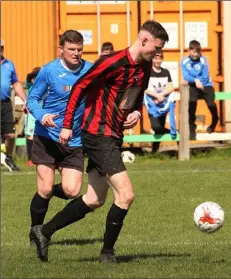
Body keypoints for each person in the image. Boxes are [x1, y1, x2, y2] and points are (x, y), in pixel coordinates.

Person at [30, 20, 169, 263]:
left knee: (94, 199)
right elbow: (79, 88)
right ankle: (107, 253)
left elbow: (138, 95)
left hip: (114, 136)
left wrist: (136, 112)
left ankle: (44, 231)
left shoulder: (144, 67)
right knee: (125, 195)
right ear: (144, 40)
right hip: (97, 135)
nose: (157, 54)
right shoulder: (111, 62)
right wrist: (65, 125)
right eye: (156, 48)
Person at [26, 30, 92, 244]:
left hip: (73, 140)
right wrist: (42, 114)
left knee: (71, 190)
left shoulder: (90, 70)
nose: (76, 54)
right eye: (71, 49)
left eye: (80, 50)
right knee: (44, 188)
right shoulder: (49, 71)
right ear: (61, 49)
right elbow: (32, 99)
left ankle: (46, 202)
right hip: (47, 137)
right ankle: (36, 232)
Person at [181, 40, 219, 140]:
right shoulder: (184, 61)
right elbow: (185, 75)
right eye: (194, 52)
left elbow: (205, 75)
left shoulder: (203, 59)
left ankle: (215, 120)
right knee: (192, 104)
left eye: (198, 52)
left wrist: (198, 80)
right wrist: (194, 80)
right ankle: (192, 127)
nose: (196, 54)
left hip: (206, 85)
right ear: (189, 51)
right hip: (193, 85)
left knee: (211, 104)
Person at [1, 39, 26, 171]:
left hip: (5, 104)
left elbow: (16, 84)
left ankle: (8, 157)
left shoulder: (9, 64)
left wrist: (24, 100)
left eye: (1, 48)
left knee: (10, 135)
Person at [144, 49, 176, 153]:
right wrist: (156, 96)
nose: (157, 60)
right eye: (155, 58)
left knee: (160, 128)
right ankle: (174, 132)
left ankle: (154, 151)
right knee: (156, 127)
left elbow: (171, 87)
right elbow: (144, 88)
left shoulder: (166, 72)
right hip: (152, 105)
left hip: (163, 104)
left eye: (159, 58)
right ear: (152, 59)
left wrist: (162, 95)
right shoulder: (148, 71)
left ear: (162, 59)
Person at [24, 67, 41, 167]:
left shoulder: (44, 86)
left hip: (41, 113)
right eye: (34, 77)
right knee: (31, 135)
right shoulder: (31, 87)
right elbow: (28, 77)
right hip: (31, 114)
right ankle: (30, 159)